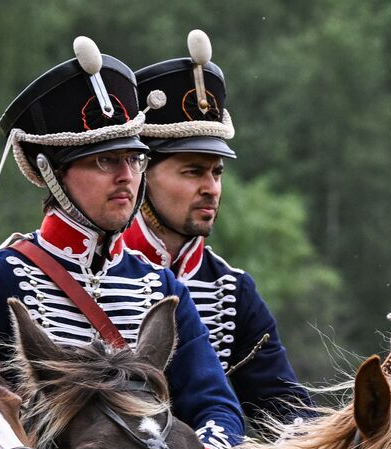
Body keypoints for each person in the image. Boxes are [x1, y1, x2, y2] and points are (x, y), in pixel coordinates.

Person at [0, 36, 243, 449]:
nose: (126, 176)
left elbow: (216, 405)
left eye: (134, 159)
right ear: (51, 172)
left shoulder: (159, 284)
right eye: (105, 160)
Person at [120, 30, 308, 428]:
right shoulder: (103, 272)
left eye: (217, 172)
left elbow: (284, 407)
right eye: (192, 171)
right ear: (141, 174)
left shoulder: (232, 289)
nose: (211, 188)